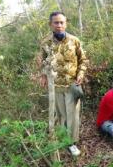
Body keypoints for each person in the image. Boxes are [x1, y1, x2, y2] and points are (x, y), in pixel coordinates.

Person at [36, 11, 89, 156]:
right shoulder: (46, 43)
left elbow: (83, 60)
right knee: (62, 116)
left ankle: (72, 143)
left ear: (66, 24)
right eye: (56, 22)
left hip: (72, 84)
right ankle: (64, 139)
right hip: (56, 86)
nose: (59, 25)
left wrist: (80, 74)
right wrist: (43, 75)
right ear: (50, 24)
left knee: (73, 115)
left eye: (62, 22)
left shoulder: (74, 41)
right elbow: (41, 62)